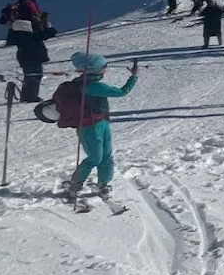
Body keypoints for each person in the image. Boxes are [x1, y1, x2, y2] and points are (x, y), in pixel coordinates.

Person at [60, 53, 138, 200]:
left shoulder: (87, 82)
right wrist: (134, 77)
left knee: (106, 156)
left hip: (102, 123)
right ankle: (76, 184)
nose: (105, 69)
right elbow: (122, 92)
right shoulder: (92, 86)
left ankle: (103, 183)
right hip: (89, 127)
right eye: (103, 67)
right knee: (95, 157)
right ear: (93, 69)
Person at [8, 12, 57, 103]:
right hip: (35, 57)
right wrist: (45, 22)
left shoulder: (16, 35)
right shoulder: (33, 34)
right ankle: (31, 96)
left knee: (29, 76)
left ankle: (26, 96)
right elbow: (51, 32)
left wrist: (11, 28)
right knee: (35, 76)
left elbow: (10, 40)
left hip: (24, 58)